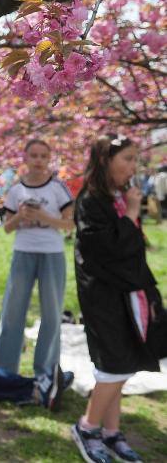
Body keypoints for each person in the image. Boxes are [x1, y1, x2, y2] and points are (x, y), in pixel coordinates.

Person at [70, 134, 166, 463]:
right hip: (104, 295)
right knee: (115, 365)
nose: (133, 166)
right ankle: (87, 427)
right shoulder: (91, 200)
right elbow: (106, 249)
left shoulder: (117, 195)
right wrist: (132, 213)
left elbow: (132, 248)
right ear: (106, 160)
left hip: (129, 291)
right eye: (127, 158)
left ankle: (111, 432)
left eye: (135, 159)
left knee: (121, 363)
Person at [0, 139, 73, 386]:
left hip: (52, 254)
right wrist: (20, 217)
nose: (38, 160)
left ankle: (46, 371)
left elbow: (70, 224)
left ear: (49, 159)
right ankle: (3, 369)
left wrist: (44, 217)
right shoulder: (16, 190)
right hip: (23, 252)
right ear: (25, 159)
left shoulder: (58, 187)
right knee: (12, 312)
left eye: (43, 156)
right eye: (33, 155)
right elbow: (6, 228)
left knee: (52, 313)